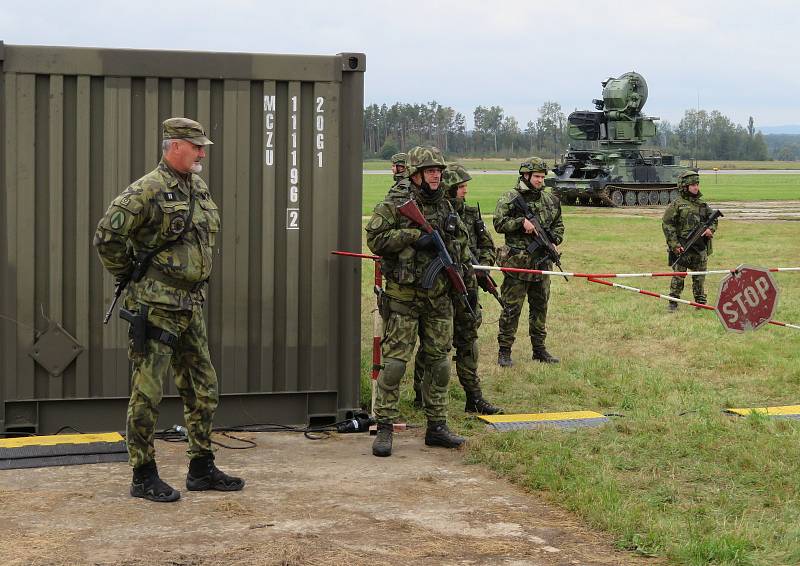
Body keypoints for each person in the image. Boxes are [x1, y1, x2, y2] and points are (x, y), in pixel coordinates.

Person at [94, 117, 244, 502]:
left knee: (203, 387)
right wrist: (130, 273)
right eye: (196, 146)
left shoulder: (197, 186)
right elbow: (107, 237)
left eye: (202, 146)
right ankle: (143, 475)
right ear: (174, 146)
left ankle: (201, 467)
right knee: (148, 393)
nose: (201, 152)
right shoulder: (145, 190)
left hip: (191, 304)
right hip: (156, 307)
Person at [366, 146, 473, 457]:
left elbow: (462, 249)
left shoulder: (448, 206)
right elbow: (375, 240)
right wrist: (412, 237)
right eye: (429, 171)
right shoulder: (397, 203)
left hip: (439, 299)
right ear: (415, 175)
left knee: (439, 364)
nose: (436, 175)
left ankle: (437, 426)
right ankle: (385, 425)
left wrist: (464, 284)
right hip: (404, 298)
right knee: (396, 365)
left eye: (438, 170)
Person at [412, 163, 502, 415]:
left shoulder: (471, 214)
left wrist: (481, 267)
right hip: (440, 290)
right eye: (460, 187)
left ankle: (474, 397)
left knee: (468, 341)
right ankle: (421, 393)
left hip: (467, 287)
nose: (465, 191)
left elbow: (486, 246)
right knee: (433, 345)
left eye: (465, 187)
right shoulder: (433, 213)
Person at [493, 157, 564, 367]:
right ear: (525, 176)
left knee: (540, 307)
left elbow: (559, 226)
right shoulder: (510, 197)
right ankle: (504, 351)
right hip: (517, 264)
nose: (540, 180)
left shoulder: (551, 200)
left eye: (543, 177)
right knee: (511, 308)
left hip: (541, 263)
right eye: (536, 177)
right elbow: (498, 223)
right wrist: (520, 223)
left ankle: (539, 350)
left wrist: (553, 241)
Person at [662, 170, 718, 311]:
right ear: (684, 186)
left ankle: (700, 302)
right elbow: (667, 224)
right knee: (678, 276)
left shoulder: (702, 204)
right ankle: (673, 302)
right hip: (682, 247)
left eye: (697, 184)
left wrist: (710, 229)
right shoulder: (677, 204)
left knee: (699, 277)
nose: (696, 187)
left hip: (700, 248)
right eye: (692, 185)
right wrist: (674, 245)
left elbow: (714, 219)